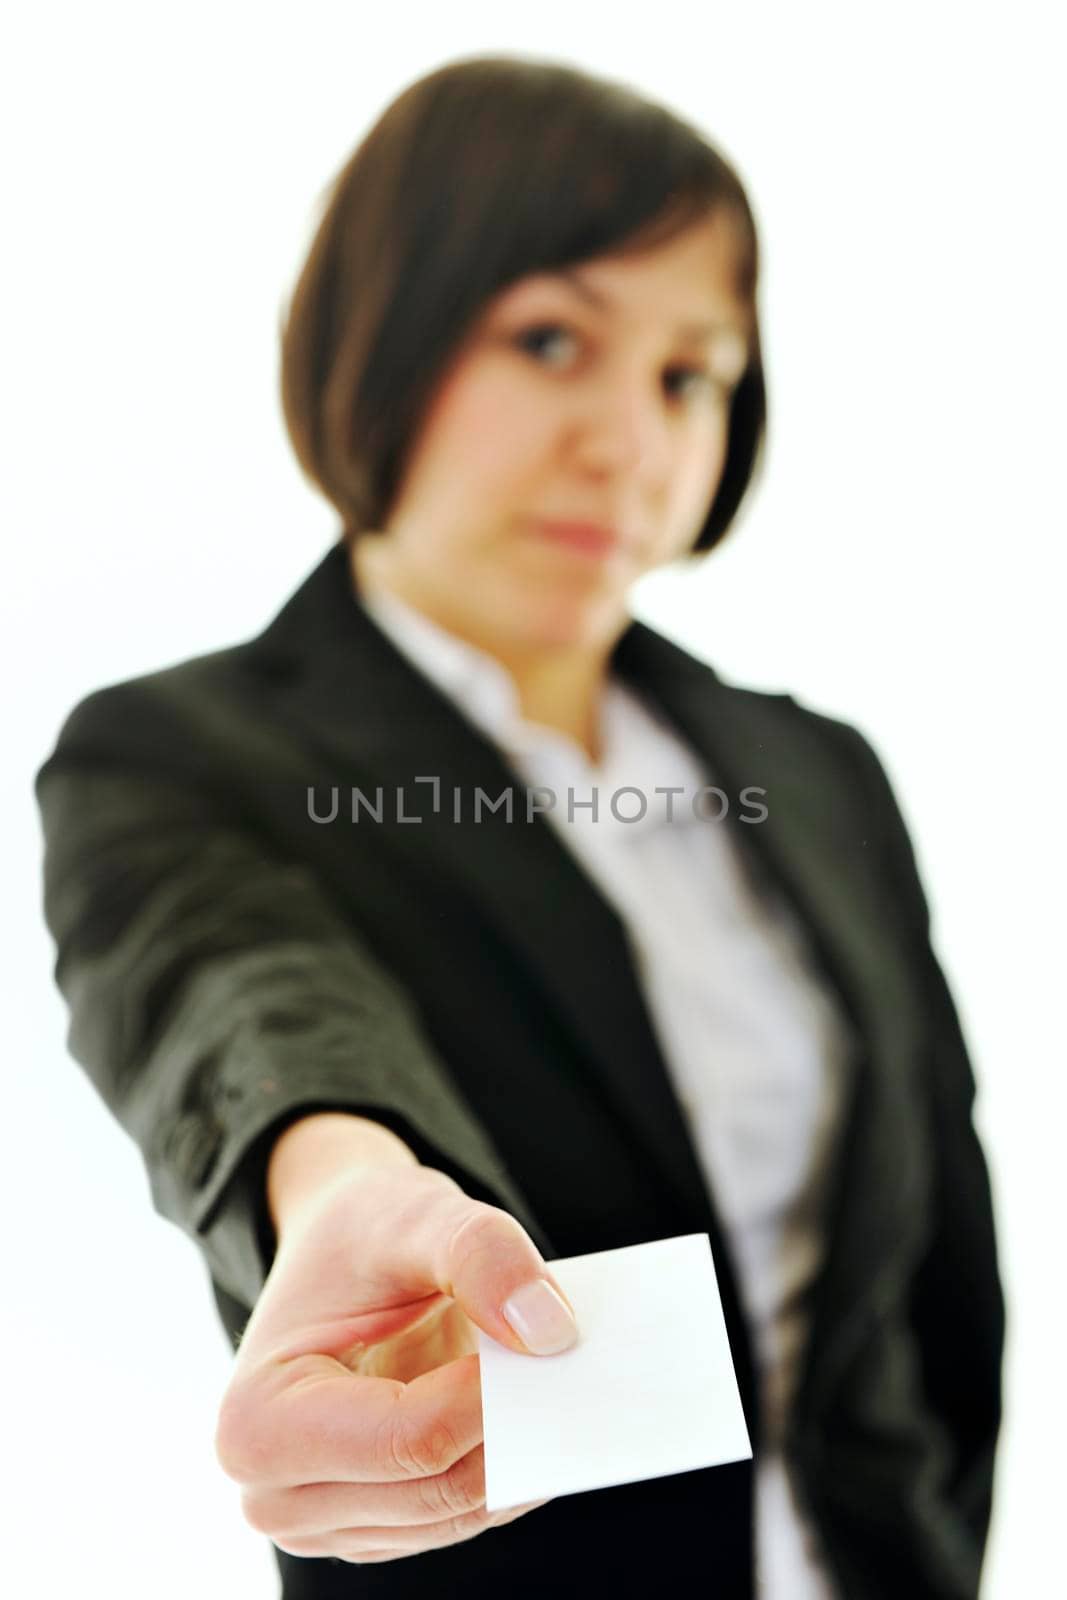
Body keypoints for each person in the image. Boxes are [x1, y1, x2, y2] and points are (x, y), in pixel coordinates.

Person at [34, 53, 1004, 1600]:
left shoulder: (815, 772)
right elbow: (239, 995)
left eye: (691, 374)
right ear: (386, 336)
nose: (632, 444)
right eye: (553, 340)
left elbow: (940, 1268)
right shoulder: (177, 753)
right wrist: (347, 1186)